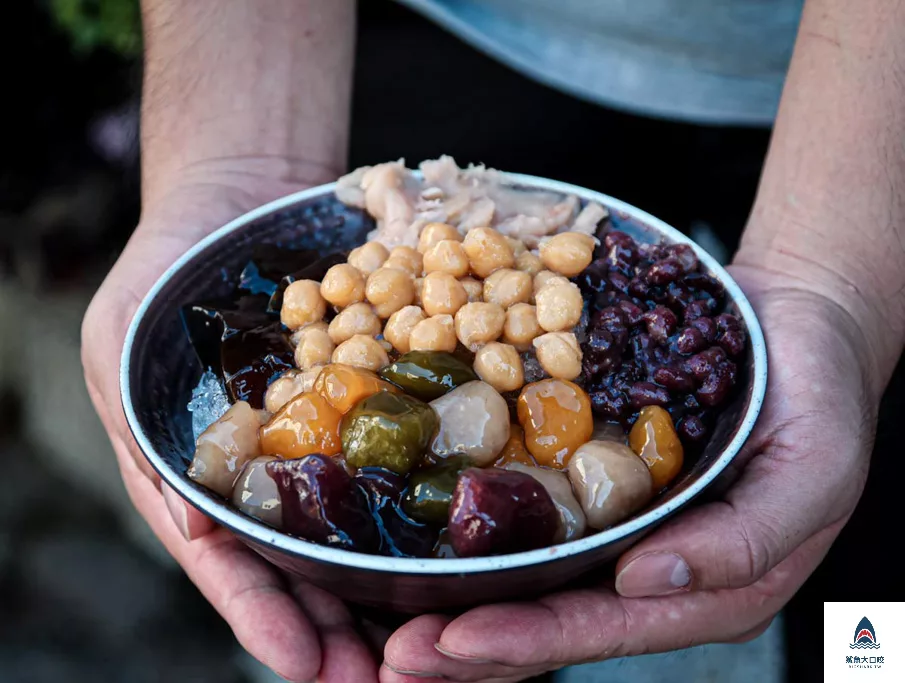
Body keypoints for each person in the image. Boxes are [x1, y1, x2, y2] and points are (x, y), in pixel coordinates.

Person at [81, 1, 905, 681]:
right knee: (402, 646)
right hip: (460, 41)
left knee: (866, 599)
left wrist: (836, 278)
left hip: (873, 100)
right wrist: (233, 167)